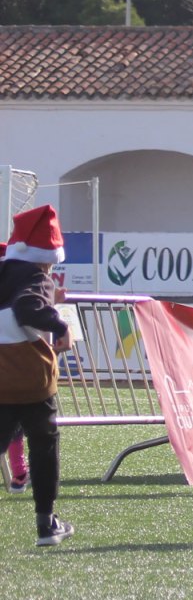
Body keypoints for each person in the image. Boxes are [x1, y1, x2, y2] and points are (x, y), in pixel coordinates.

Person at [0, 207, 75, 546]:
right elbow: (27, 306)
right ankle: (46, 524)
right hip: (29, 379)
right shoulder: (36, 277)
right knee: (43, 446)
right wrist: (59, 324)